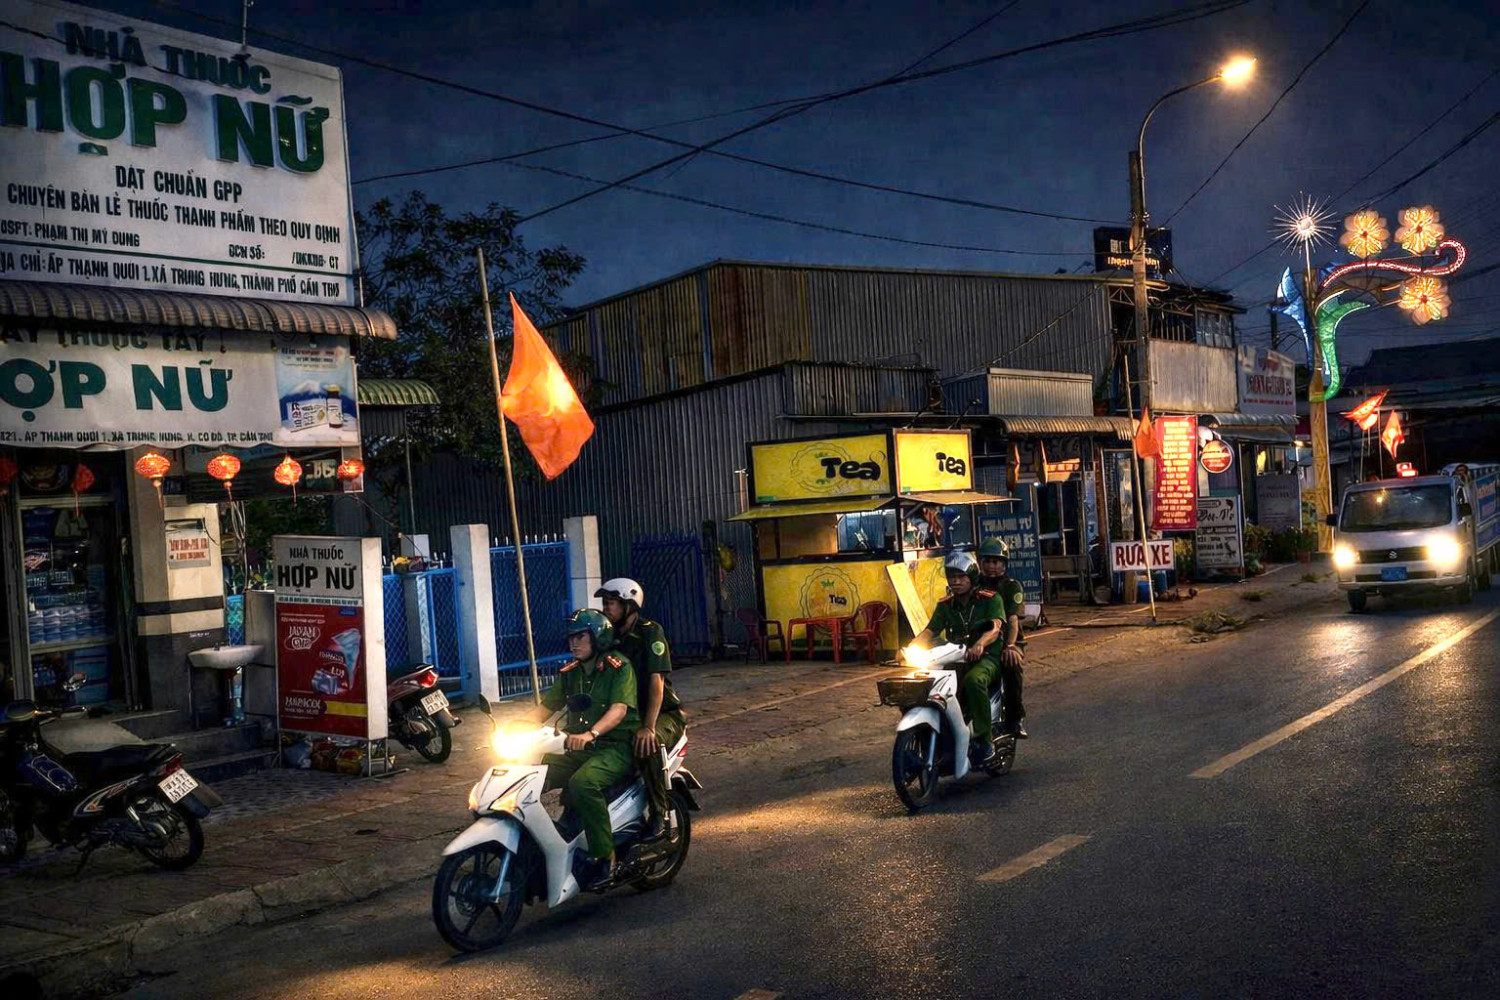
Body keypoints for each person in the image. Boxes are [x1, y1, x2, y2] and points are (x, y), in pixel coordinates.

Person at [517, 608, 638, 889]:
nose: (573, 643)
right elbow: (546, 708)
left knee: (583, 783)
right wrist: (514, 727)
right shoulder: (571, 673)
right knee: (531, 776)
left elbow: (618, 710)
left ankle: (605, 858)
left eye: (580, 637)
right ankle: (546, 843)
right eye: (571, 637)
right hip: (579, 747)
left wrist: (590, 733)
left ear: (597, 637)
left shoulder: (618, 667)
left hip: (615, 746)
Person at [596, 577, 686, 841]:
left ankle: (661, 813)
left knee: (647, 743)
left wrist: (648, 726)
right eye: (605, 602)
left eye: (612, 602)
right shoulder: (609, 636)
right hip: (627, 714)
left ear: (629, 605)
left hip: (663, 714)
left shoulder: (650, 632)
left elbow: (656, 683)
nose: (606, 607)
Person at [911, 551, 1006, 765]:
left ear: (971, 577)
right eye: (951, 577)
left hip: (987, 658)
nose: (955, 581)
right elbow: (930, 631)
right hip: (955, 658)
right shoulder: (945, 605)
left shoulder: (990, 599)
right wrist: (909, 647)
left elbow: (995, 627)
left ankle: (985, 741)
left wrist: (980, 644)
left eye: (961, 577)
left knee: (973, 680)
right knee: (930, 685)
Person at [977, 536, 1028, 738]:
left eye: (996, 562)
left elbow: (1013, 621)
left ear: (1004, 564)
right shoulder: (973, 584)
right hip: (980, 639)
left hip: (1008, 639)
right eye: (987, 561)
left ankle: (1015, 718)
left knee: (1011, 665)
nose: (991, 566)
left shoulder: (1011, 586)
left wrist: (1010, 646)